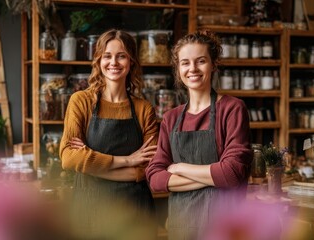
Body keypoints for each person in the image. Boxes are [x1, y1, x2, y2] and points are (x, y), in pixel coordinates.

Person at [145, 30, 253, 240]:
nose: (192, 68)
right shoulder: (171, 118)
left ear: (213, 64)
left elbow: (232, 173)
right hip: (182, 228)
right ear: (178, 69)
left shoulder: (232, 109)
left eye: (200, 61)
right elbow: (155, 179)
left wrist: (179, 168)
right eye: (185, 62)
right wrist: (214, 177)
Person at [59, 29, 158, 240]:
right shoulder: (81, 101)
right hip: (89, 211)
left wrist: (90, 168)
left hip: (134, 213)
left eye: (121, 56)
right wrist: (127, 160)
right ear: (99, 61)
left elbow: (146, 170)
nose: (114, 62)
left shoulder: (144, 109)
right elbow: (68, 157)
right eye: (107, 56)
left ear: (131, 61)